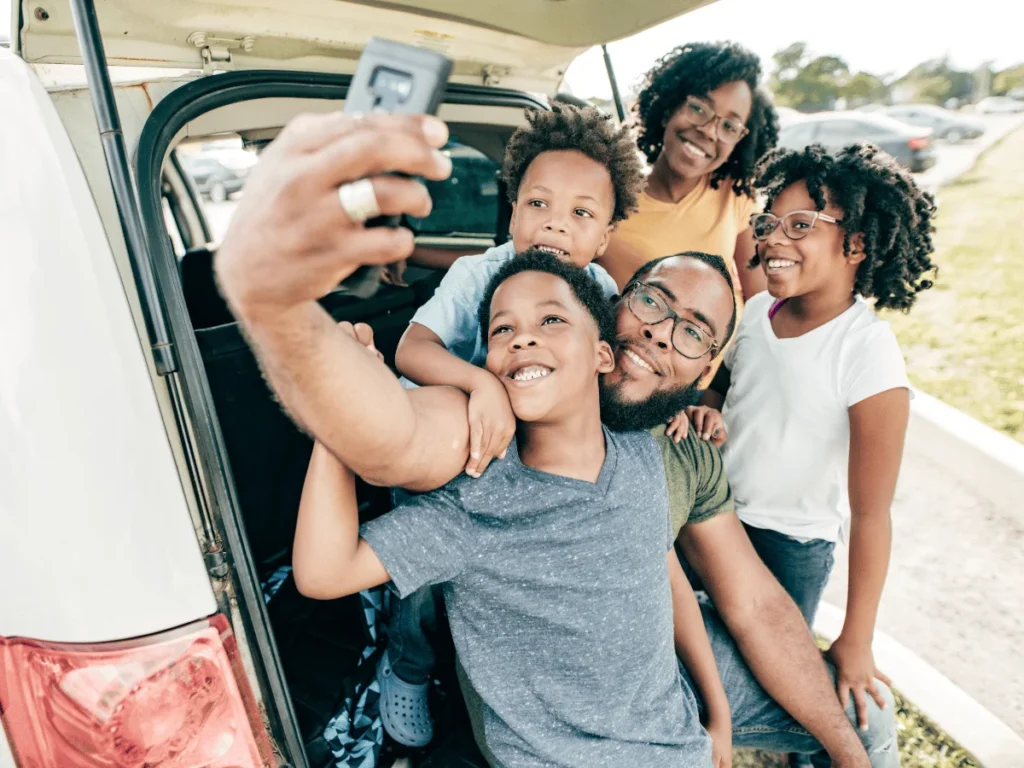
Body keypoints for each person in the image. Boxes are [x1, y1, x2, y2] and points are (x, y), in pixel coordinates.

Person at [214, 110, 894, 767]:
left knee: (869, 720)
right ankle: (412, 665)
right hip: (550, 723)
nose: (660, 332)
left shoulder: (668, 451)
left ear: (706, 369)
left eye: (693, 331)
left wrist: (732, 715)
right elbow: (400, 438)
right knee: (415, 613)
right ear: (612, 322)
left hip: (660, 709)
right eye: (652, 302)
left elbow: (730, 594)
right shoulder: (500, 428)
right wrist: (287, 316)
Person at [295, 251, 730, 767]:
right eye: (503, 331)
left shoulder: (642, 455)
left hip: (677, 750)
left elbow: (657, 568)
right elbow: (323, 572)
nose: (522, 338)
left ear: (603, 356)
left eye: (551, 320)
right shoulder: (478, 502)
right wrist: (335, 426)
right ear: (488, 367)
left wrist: (717, 712)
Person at [381, 103, 645, 747]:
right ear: (513, 209)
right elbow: (411, 351)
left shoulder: (600, 289)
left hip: (522, 474)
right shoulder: (478, 273)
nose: (556, 223)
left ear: (604, 236)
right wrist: (480, 384)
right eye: (539, 204)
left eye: (582, 212)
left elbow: (614, 374)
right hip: (446, 458)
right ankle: (407, 665)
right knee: (420, 585)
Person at [687, 143, 936, 728]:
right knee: (699, 664)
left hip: (789, 547)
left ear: (856, 244)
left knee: (781, 679)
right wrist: (706, 413)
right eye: (768, 223)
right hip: (712, 520)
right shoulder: (754, 316)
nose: (772, 240)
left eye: (800, 225)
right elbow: (721, 389)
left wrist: (856, 636)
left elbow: (871, 514)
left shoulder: (866, 351)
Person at [598, 41, 779, 303]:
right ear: (668, 107)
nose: (708, 130)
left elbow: (761, 305)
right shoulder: (608, 199)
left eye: (729, 126)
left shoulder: (736, 196)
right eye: (698, 109)